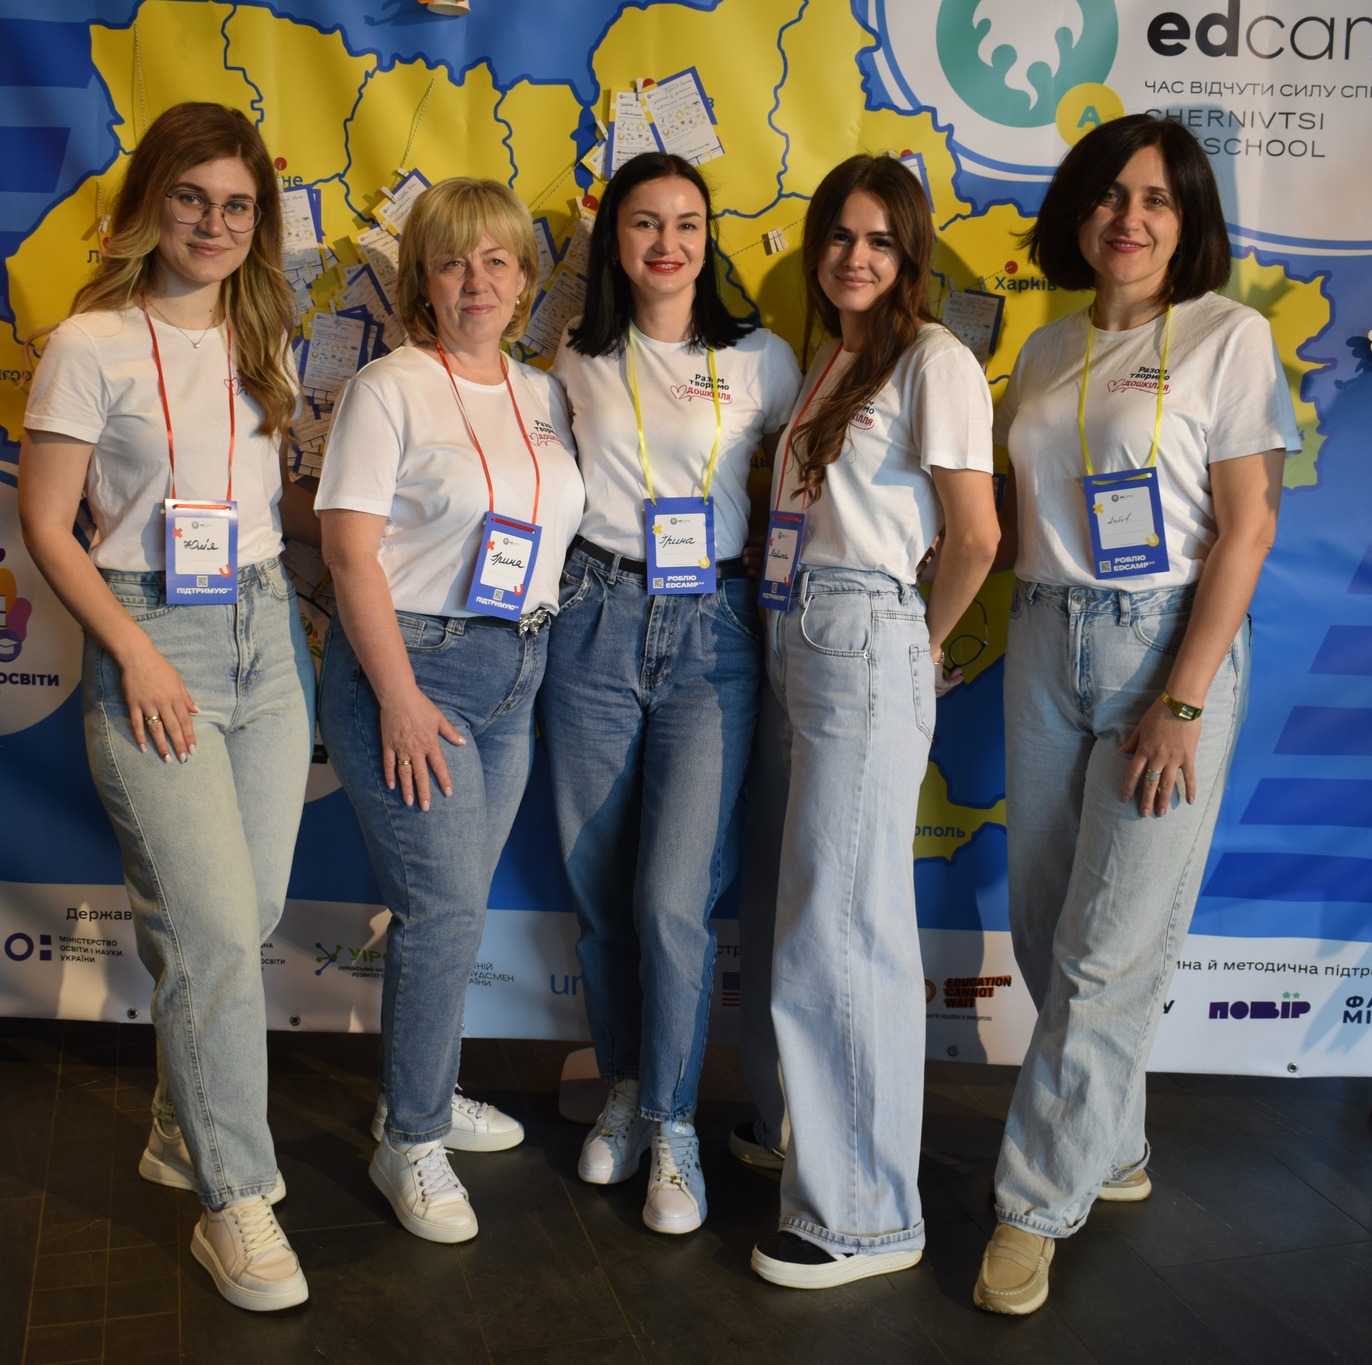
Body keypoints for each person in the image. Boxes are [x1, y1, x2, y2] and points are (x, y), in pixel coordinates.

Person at [974, 114, 1299, 1315]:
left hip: (1162, 645)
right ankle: (1108, 1144)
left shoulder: (1225, 336)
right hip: (1041, 638)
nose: (1129, 217)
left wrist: (1181, 696)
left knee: (1105, 950)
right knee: (1043, 924)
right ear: (1078, 211)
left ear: (1186, 220)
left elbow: (1248, 528)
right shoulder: (1043, 347)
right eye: (1110, 194)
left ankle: (1029, 1210)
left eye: (1157, 199)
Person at [18, 101, 314, 1312]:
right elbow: (47, 523)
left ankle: (177, 1121)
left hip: (266, 636)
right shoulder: (89, 343)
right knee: (209, 936)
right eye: (191, 197)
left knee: (247, 915)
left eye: (237, 204)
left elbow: (268, 503)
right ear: (150, 202)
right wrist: (134, 654)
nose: (213, 222)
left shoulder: (266, 335)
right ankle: (234, 1199)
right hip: (155, 637)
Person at [744, 154, 999, 1289]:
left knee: (845, 929)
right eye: (841, 236)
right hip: (797, 626)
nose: (857, 257)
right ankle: (825, 1152)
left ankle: (864, 1218)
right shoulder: (833, 359)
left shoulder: (934, 359)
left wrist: (919, 639)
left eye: (881, 240)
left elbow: (976, 536)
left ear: (911, 255)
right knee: (815, 914)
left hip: (863, 627)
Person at [315, 177, 584, 1245]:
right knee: (439, 911)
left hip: (518, 669)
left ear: (525, 279)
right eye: (451, 262)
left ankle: (420, 1088)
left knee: (456, 906)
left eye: (497, 261)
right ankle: (411, 1136)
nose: (476, 281)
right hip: (414, 669)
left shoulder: (542, 392)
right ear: (420, 281)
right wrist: (396, 696)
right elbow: (348, 553)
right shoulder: (386, 388)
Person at [541, 152, 802, 1234]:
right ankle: (625, 1087)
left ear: (708, 238)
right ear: (614, 239)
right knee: (602, 894)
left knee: (670, 899)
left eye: (686, 223)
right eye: (644, 222)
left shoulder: (760, 359)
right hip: (594, 617)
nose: (666, 243)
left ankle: (676, 1122)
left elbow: (811, 478)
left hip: (712, 631)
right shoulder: (574, 352)